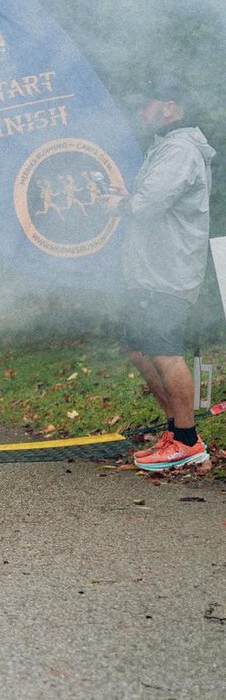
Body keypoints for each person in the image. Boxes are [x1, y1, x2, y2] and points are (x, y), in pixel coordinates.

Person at [98, 84, 215, 472]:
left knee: (164, 351)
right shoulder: (165, 148)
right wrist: (127, 196)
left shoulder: (180, 149)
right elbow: (152, 199)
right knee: (140, 350)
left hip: (169, 271)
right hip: (148, 271)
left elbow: (147, 206)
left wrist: (121, 203)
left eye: (145, 105)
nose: (140, 112)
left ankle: (188, 441)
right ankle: (174, 431)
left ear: (168, 108)